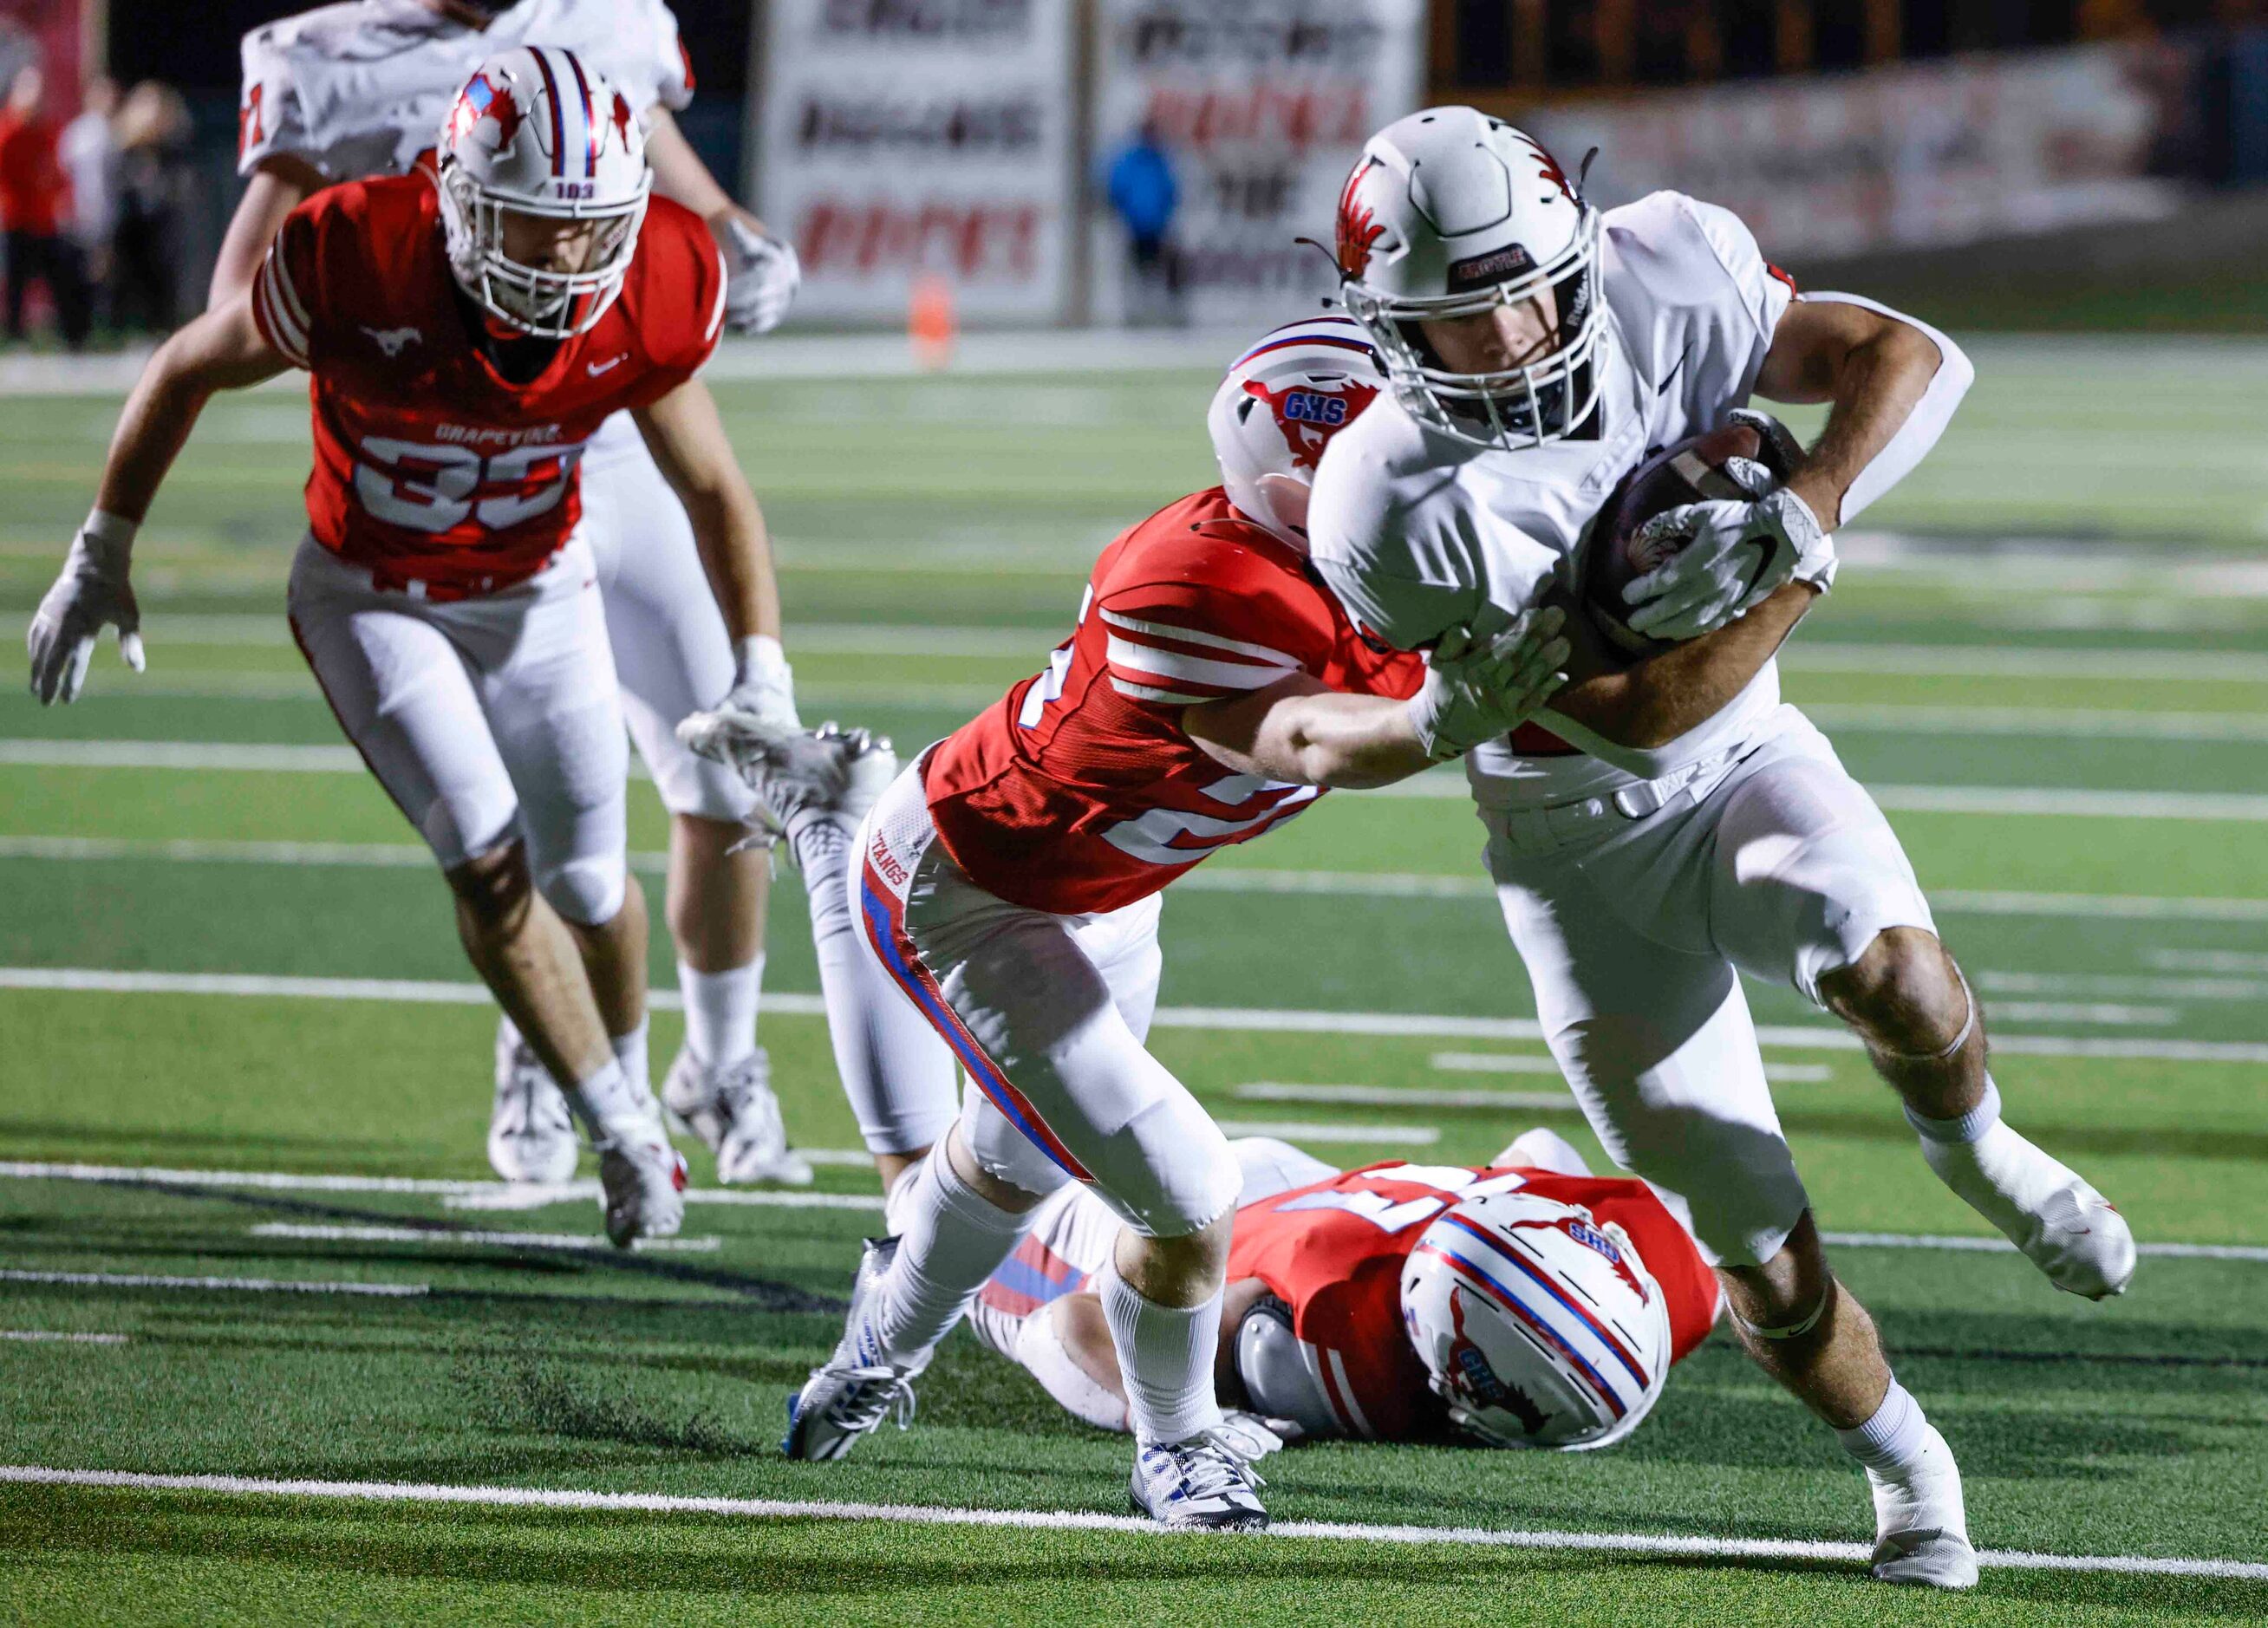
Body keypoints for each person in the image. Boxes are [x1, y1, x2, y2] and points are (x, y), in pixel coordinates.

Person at [1305, 107, 2137, 1588]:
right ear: (1383, 328)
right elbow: (1632, 710)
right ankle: (1913, 1473)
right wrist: (1796, 567)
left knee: (1902, 979)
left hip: (1750, 757)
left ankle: (1980, 1148)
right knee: (1756, 1244)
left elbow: (1911, 356)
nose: (1501, 337)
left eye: (1520, 289)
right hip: (1575, 846)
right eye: (1452, 316)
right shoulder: (1388, 501)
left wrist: (1808, 497)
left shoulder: (1668, 271)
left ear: (1579, 251)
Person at [727, 316, 1569, 1531]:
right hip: (971, 884)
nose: (1424, 482)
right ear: (1299, 487)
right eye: (1389, 457)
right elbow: (1311, 739)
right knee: (1184, 1187)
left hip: (1107, 890)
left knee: (1014, 1164)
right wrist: (1448, 713)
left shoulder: (1372, 560)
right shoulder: (1200, 584)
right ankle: (1174, 1446)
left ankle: (871, 1353)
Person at [25, 49, 779, 1251]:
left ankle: (625, 1078)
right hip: (372, 591)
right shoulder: (359, 250)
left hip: (538, 587)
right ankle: (619, 1123)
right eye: (535, 230)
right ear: (465, 204)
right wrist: (101, 549)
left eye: (590, 231)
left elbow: (715, 487)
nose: (568, 261)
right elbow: (186, 364)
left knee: (588, 883)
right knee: (485, 858)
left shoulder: (653, 278)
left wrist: (762, 669)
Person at [207, 0, 826, 1189]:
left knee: (729, 753)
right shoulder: (329, 56)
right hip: (455, 461)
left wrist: (743, 240)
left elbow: (676, 185)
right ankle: (547, 1048)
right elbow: (239, 295)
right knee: (545, 813)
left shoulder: (605, 21)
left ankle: (724, 1063)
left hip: (605, 434)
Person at [962, 1128, 1720, 1453]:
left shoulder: (1677, 1274)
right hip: (1182, 1231)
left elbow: (1539, 1154)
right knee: (945, 1231)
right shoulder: (1332, 1333)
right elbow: (1075, 1321)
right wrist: (1176, 1421)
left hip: (1321, 1193)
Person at [0, 63, 92, 348]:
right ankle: (15, 337)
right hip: (14, 220)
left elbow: (59, 175)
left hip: (45, 221)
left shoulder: (51, 130)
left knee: (61, 277)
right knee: (15, 283)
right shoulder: (8, 131)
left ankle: (74, 337)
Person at [1104, 119, 1180, 327]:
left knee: (1159, 272)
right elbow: (1116, 190)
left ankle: (1160, 313)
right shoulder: (1132, 161)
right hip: (1134, 227)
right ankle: (1135, 315)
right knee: (1137, 272)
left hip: (1157, 227)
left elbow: (1171, 192)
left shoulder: (1160, 160)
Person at [58, 77, 119, 328]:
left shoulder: (115, 133)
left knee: (103, 274)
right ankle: (76, 328)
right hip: (78, 213)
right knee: (76, 273)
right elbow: (62, 172)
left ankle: (102, 326)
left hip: (106, 214)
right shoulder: (77, 133)